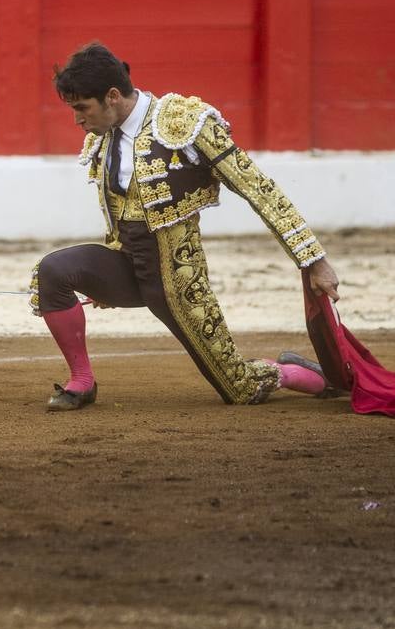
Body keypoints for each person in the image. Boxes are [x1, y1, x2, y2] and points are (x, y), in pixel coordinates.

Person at [32, 43, 341, 412]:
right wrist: (103, 281)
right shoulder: (104, 136)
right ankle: (81, 382)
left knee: (239, 388)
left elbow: (257, 188)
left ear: (112, 96)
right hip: (130, 264)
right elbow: (117, 213)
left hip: (179, 280)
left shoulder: (184, 124)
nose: (77, 120)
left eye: (82, 108)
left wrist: (312, 259)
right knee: (53, 272)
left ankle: (296, 373)